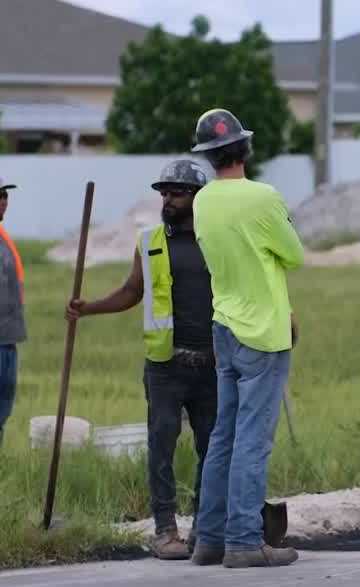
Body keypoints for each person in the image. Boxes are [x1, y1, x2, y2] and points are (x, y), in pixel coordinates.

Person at [65, 160, 214, 559]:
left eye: (176, 192)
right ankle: (165, 531)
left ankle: (205, 528)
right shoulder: (150, 241)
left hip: (213, 363)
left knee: (212, 449)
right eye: (163, 192)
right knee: (161, 445)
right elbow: (132, 291)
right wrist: (89, 307)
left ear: (198, 197)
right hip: (165, 366)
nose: (167, 199)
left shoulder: (218, 239)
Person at [187, 108, 304, 569]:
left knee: (224, 436)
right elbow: (293, 254)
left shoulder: (202, 201)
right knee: (253, 441)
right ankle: (243, 541)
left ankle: (210, 539)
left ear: (208, 156)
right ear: (245, 148)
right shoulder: (263, 196)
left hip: (224, 325)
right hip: (263, 331)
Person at [0, 177, 26, 449]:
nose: (3, 201)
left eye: (5, 195)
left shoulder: (4, 238)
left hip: (7, 341)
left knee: (1, 413)